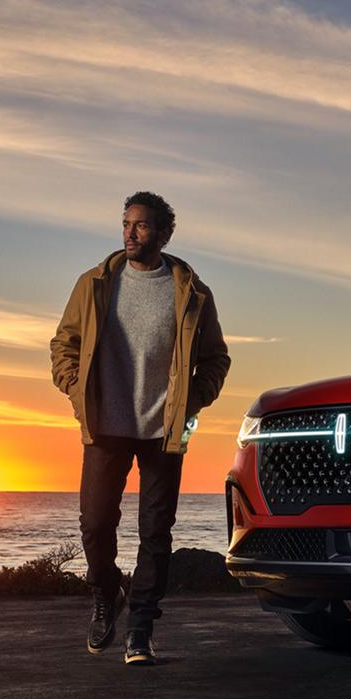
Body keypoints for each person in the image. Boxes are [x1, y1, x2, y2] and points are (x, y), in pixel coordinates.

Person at [50, 191, 230, 664]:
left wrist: (190, 402)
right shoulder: (94, 283)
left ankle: (140, 629)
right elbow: (64, 344)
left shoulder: (191, 291)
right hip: (104, 425)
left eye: (142, 225)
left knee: (155, 531)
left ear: (164, 233)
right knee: (94, 524)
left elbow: (216, 358)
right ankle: (107, 593)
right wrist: (74, 389)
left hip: (166, 430)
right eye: (126, 223)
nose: (130, 232)